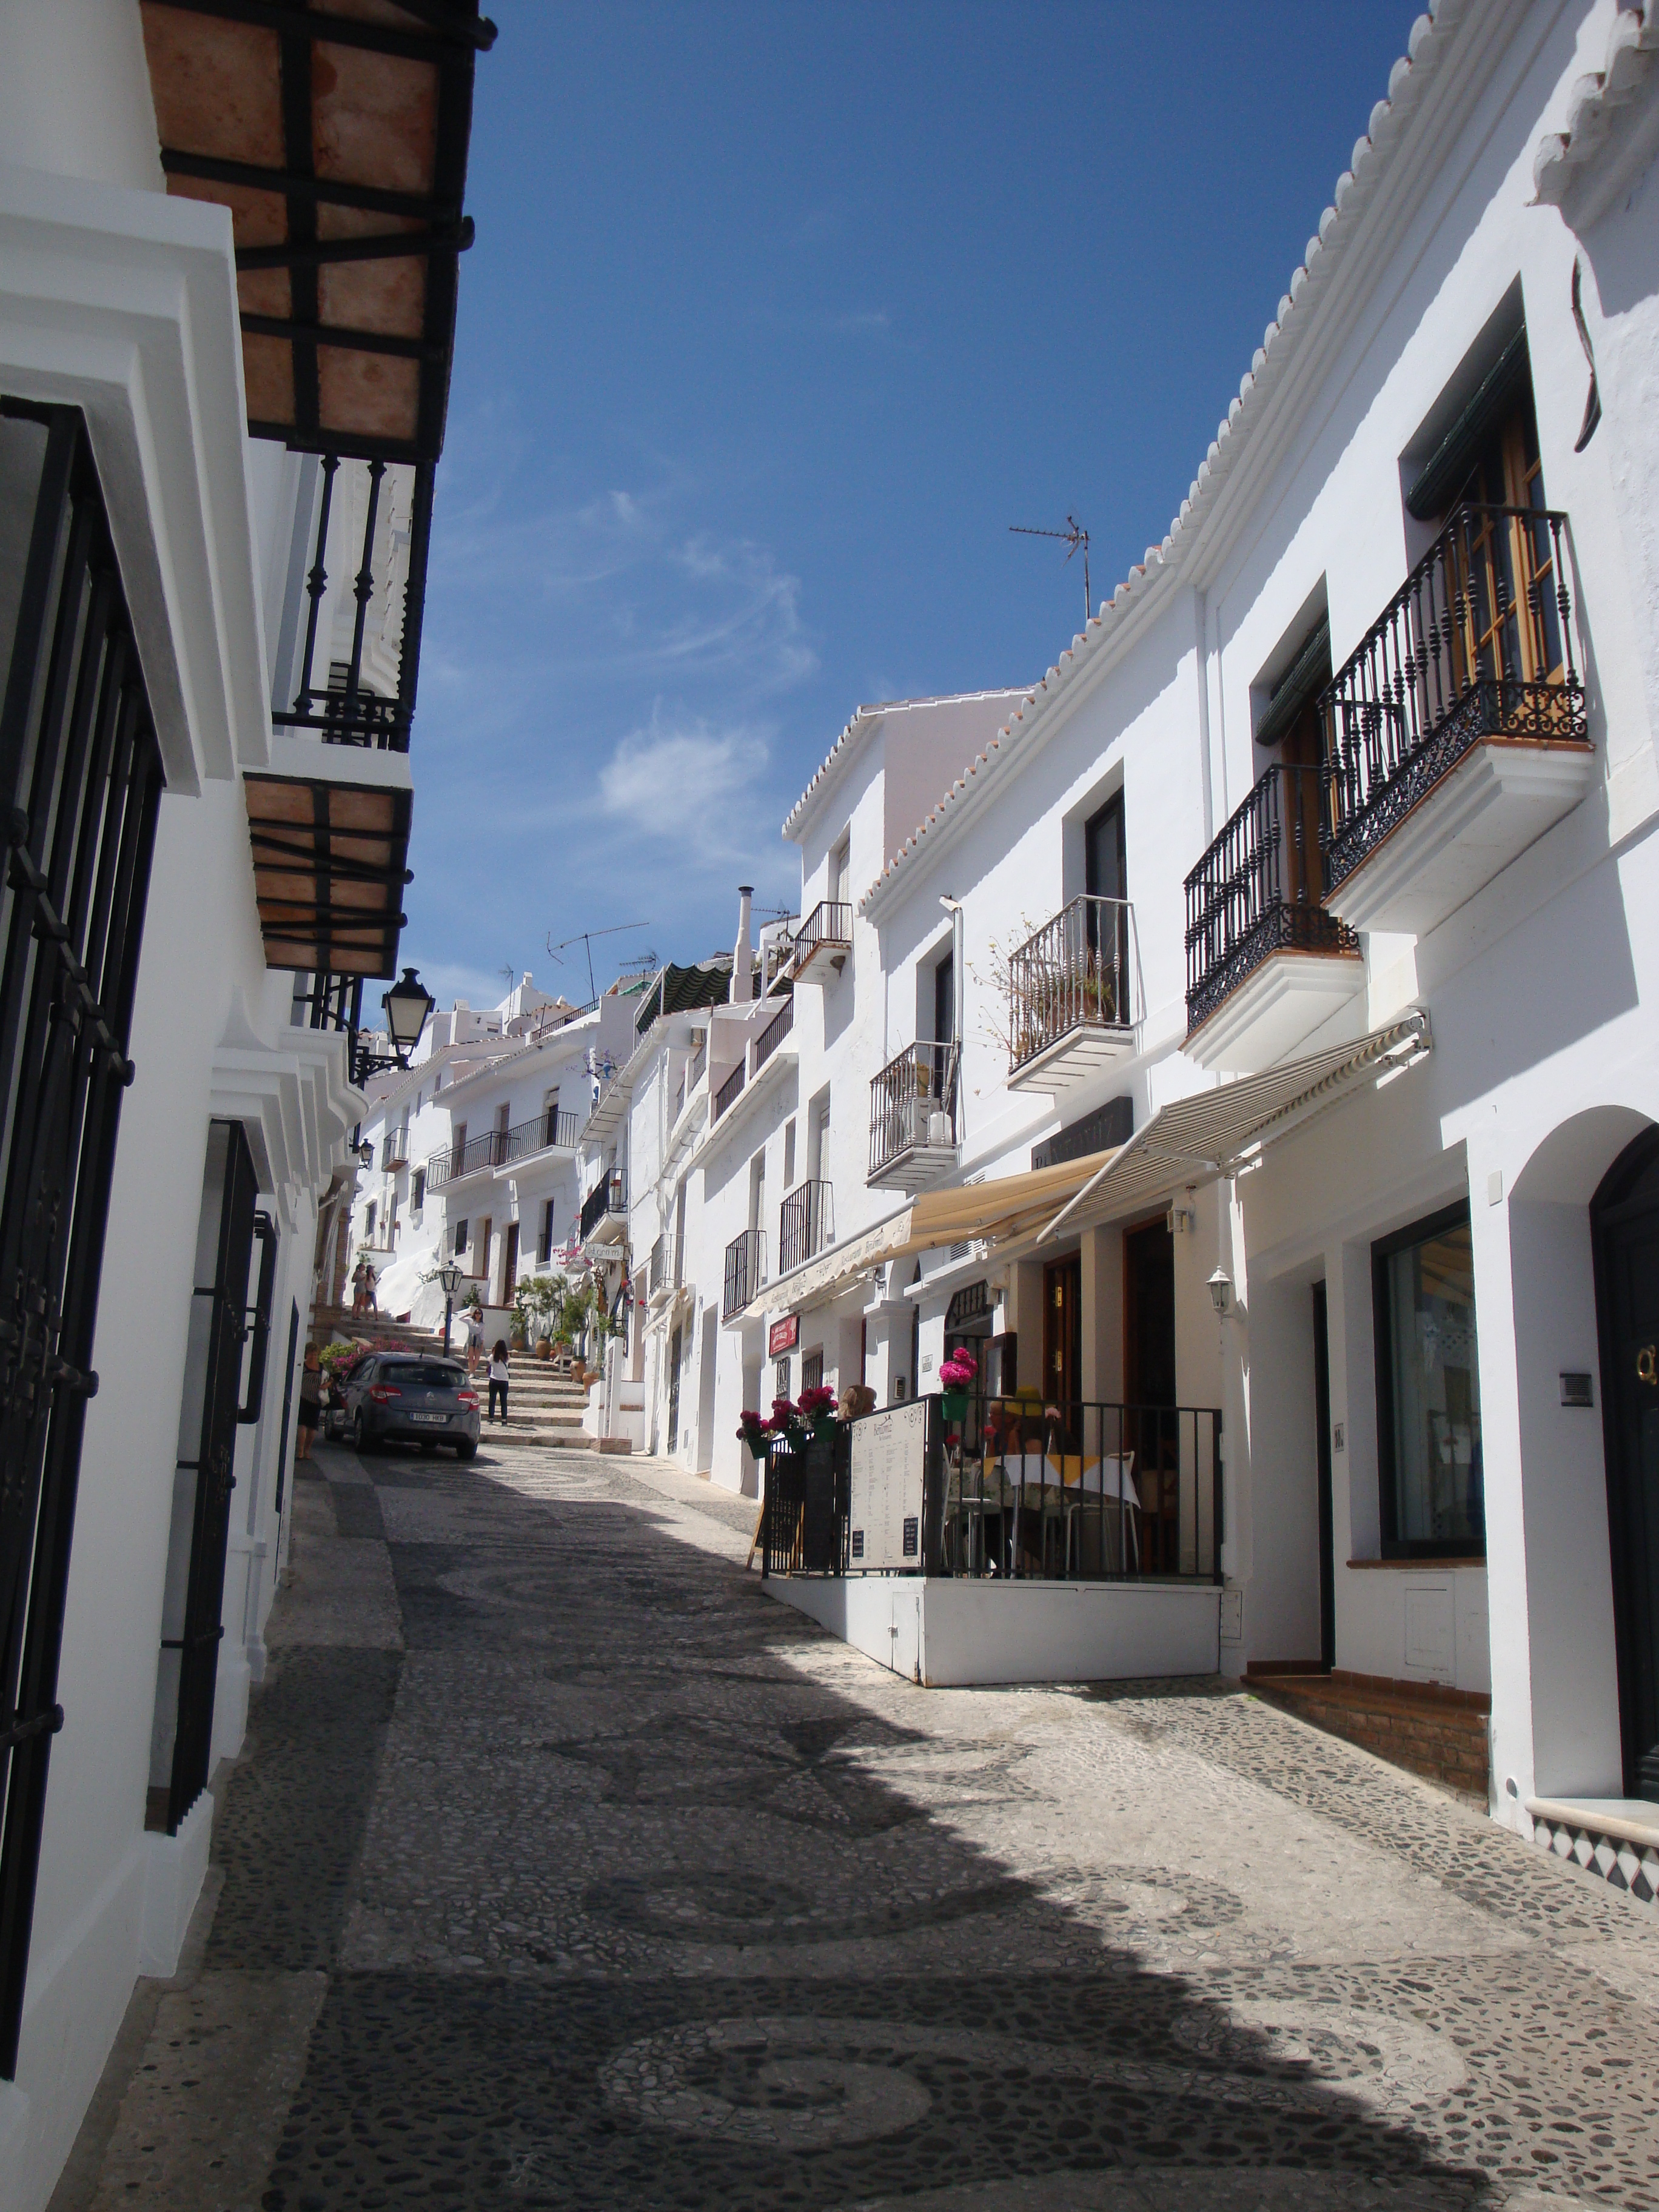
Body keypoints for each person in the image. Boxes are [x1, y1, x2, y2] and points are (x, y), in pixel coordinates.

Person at [297, 1343, 323, 1461]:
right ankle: (302, 1451)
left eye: (315, 1355)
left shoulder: (321, 1368)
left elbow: (330, 1380)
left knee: (309, 1427)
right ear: (306, 1354)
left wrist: (326, 1385)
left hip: (314, 1400)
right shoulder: (304, 1366)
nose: (313, 1357)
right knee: (304, 1426)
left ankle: (305, 1451)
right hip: (305, 1399)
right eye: (311, 1354)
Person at [487, 1338, 509, 1424]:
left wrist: (493, 1351)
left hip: (494, 1379)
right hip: (504, 1381)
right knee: (504, 1401)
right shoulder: (507, 1357)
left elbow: (489, 1362)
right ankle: (504, 1419)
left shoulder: (493, 1357)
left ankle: (491, 1418)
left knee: (492, 1400)